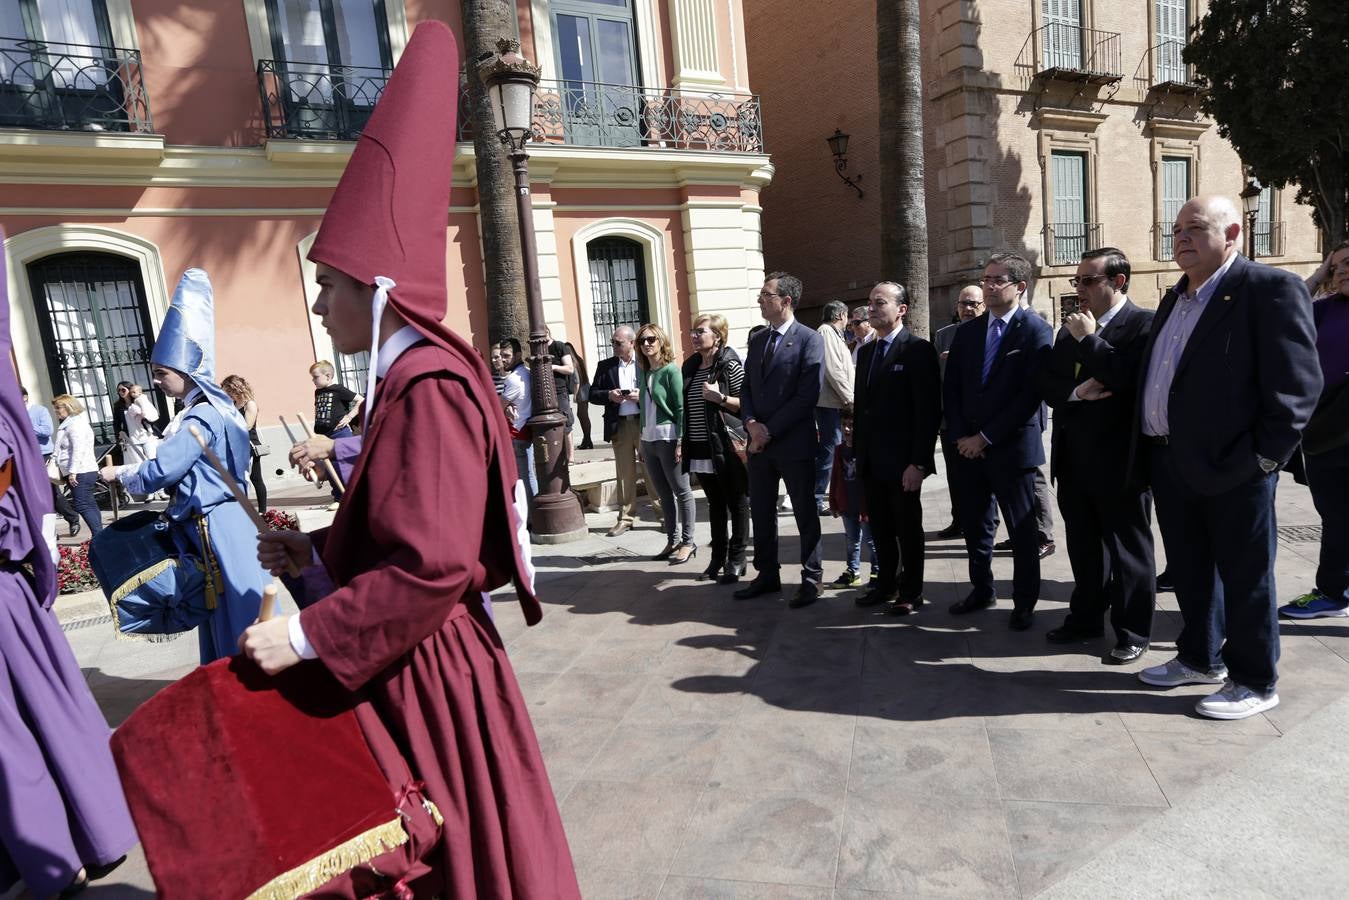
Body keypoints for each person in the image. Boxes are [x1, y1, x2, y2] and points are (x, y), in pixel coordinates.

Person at [239, 22, 580, 895]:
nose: (319, 303)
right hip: (420, 658)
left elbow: (430, 566)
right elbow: (411, 533)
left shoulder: (425, 383)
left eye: (328, 283)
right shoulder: (410, 377)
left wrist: (304, 633)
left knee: (449, 859)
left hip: (428, 668)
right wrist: (318, 553)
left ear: (376, 289)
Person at [1135, 195, 1321, 720]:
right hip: (1171, 463)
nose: (1182, 239)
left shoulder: (1268, 289)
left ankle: (1255, 680)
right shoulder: (1176, 296)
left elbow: (1298, 388)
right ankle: (1198, 657)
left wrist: (1263, 460)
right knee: (1190, 573)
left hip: (1236, 470)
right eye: (1176, 231)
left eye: (1195, 228)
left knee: (1246, 578)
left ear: (1233, 232)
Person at [0, 230, 136, 900]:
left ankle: (56, 857)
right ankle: (83, 835)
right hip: (11, 590)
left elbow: (22, 497)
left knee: (17, 735)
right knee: (44, 714)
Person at [99, 269, 270, 664]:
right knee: (238, 611)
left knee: (236, 618)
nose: (156, 381)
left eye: (161, 373)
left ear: (187, 370)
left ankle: (244, 700)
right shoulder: (217, 411)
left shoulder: (199, 418)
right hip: (228, 520)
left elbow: (162, 472)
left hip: (215, 526)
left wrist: (119, 473)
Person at [1036, 247, 1156, 663]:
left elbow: (1127, 378)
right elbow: (1048, 384)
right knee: (1085, 550)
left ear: (1118, 281)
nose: (1080, 289)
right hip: (1073, 462)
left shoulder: (1143, 325)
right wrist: (1074, 393)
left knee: (1128, 552)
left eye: (1089, 280)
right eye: (1077, 281)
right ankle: (1086, 617)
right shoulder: (1067, 330)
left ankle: (1133, 631)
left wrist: (1090, 340)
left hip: (1120, 464)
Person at [943, 251, 1053, 631]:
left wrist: (986, 437)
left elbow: (1029, 396)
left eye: (997, 280)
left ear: (1020, 287)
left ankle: (1024, 601)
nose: (988, 286)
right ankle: (981, 589)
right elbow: (952, 388)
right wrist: (962, 437)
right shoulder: (968, 331)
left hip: (1011, 449)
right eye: (986, 279)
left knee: (1021, 530)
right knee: (976, 526)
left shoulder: (1034, 330)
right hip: (967, 451)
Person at [735, 271, 825, 608]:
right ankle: (767, 573)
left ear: (785, 301)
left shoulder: (809, 339)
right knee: (761, 510)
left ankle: (812, 577)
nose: (760, 300)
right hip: (758, 445)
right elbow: (746, 389)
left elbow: (806, 395)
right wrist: (751, 422)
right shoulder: (758, 340)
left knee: (803, 510)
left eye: (765, 295)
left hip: (792, 442)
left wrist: (767, 430)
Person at [851, 281, 941, 615]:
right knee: (881, 529)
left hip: (903, 463)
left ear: (901, 309)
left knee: (907, 528)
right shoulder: (868, 351)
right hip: (871, 461)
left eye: (880, 302)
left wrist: (918, 463)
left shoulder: (917, 350)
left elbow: (928, 412)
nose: (871, 308)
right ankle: (885, 583)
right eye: (870, 302)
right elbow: (863, 407)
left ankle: (911, 591)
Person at [1280, 240, 1349, 619]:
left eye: (1347, 263)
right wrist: (1320, 276)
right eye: (1334, 266)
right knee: (1336, 516)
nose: (1340, 270)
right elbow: (1285, 310)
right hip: (1325, 433)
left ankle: (1335, 589)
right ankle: (1334, 591)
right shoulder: (1323, 310)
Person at [681, 313, 747, 581]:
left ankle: (738, 558)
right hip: (699, 445)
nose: (695, 336)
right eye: (693, 332)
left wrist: (719, 398)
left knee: (737, 502)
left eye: (701, 332)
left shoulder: (730, 364)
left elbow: (745, 403)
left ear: (717, 336)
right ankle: (717, 558)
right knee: (716, 503)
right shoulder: (692, 365)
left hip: (725, 444)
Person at [636, 323, 696, 563]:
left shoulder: (671, 370)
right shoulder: (646, 373)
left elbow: (681, 408)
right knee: (663, 493)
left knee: (682, 491)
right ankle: (672, 539)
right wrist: (641, 441)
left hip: (669, 437)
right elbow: (644, 410)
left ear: (661, 341)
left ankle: (688, 542)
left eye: (651, 339)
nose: (647, 344)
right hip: (649, 439)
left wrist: (681, 440)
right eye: (642, 341)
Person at [933, 285, 985, 538]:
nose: (967, 309)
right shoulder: (943, 335)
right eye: (963, 303)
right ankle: (959, 520)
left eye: (973, 304)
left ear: (984, 306)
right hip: (949, 420)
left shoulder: (990, 332)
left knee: (981, 479)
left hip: (978, 423)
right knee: (954, 475)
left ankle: (983, 523)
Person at [590, 326, 644, 537]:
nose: (614, 346)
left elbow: (656, 390)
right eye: (613, 342)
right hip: (619, 425)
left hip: (642, 423)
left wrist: (642, 396)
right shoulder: (605, 366)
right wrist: (609, 395)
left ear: (631, 343)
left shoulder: (643, 362)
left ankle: (663, 516)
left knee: (651, 472)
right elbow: (592, 394)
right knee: (624, 474)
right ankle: (626, 518)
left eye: (618, 342)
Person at [827, 408, 877, 589]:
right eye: (844, 425)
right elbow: (834, 479)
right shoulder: (839, 451)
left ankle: (877, 571)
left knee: (871, 541)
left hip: (865, 506)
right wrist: (833, 502)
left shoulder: (866, 450)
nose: (847, 430)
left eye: (852, 425)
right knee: (851, 540)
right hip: (847, 505)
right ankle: (853, 571)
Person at [814, 300, 854, 515]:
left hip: (836, 401)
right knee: (831, 449)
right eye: (847, 316)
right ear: (841, 315)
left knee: (835, 448)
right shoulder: (826, 332)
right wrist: (849, 398)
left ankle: (832, 495)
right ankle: (818, 497)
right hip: (831, 403)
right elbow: (833, 368)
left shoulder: (834, 334)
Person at [23, 386, 79, 535]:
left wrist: (25, 426)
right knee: (33, 494)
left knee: (52, 492)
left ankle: (72, 518)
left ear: (25, 398)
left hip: (43, 455)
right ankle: (49, 531)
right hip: (24, 457)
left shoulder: (40, 411)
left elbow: (47, 430)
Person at [52, 394, 103, 536]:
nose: (56, 411)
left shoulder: (75, 425)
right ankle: (99, 535)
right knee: (89, 502)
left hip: (82, 470)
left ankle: (98, 535)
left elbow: (78, 449)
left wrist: (73, 471)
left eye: (58, 408)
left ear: (68, 407)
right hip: (79, 470)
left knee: (82, 504)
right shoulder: (69, 424)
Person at [498, 338, 537, 508]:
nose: (502, 359)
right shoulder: (527, 372)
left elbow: (497, 406)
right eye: (501, 355)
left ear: (518, 355)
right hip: (523, 431)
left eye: (506, 355)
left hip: (517, 432)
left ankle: (531, 517)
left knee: (524, 477)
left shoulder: (513, 379)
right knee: (528, 475)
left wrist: (504, 408)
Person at [221, 374, 268, 513]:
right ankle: (242, 509)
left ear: (234, 389)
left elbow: (247, 426)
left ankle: (263, 511)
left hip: (249, 446)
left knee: (255, 478)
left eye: (226, 391)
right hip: (236, 445)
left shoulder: (250, 404)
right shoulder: (233, 404)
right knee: (239, 478)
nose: (225, 394)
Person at [544, 326, 577, 462]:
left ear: (547, 332)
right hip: (545, 391)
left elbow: (570, 368)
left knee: (566, 423)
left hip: (559, 390)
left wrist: (554, 367)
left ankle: (571, 457)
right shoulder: (540, 349)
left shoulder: (559, 346)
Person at [310, 360, 362, 439]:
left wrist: (349, 417)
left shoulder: (338, 389)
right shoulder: (317, 392)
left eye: (315, 377)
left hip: (339, 433)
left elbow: (361, 400)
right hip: (322, 436)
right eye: (312, 377)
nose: (313, 380)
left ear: (328, 376)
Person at [569, 338, 594, 450]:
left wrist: (574, 395)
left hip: (581, 391)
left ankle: (587, 440)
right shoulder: (579, 359)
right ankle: (587, 440)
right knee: (583, 416)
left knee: (583, 416)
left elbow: (576, 381)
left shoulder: (573, 363)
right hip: (586, 388)